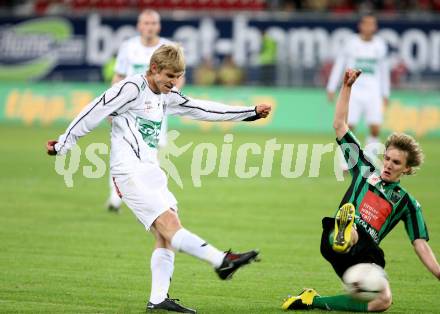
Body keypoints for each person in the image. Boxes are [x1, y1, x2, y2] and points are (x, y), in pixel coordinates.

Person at [46, 44, 271, 313]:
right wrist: (64, 143)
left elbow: (202, 109)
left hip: (151, 172)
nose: (174, 83)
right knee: (170, 225)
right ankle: (221, 260)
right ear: (154, 69)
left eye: (177, 77)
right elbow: (94, 111)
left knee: (166, 236)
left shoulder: (167, 95)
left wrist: (250, 112)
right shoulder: (131, 88)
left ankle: (158, 299)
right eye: (169, 77)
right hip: (128, 172)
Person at [282, 69, 440, 312]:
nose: (388, 164)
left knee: (382, 300)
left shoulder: (408, 203)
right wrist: (347, 86)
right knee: (353, 230)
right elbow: (339, 125)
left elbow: (419, 243)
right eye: (387, 158)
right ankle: (345, 231)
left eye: (396, 163)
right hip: (337, 238)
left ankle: (311, 301)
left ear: (407, 169)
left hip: (365, 255)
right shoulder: (364, 168)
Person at [107, 9, 184, 212]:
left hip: (155, 108)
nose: (149, 27)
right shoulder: (128, 47)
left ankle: (147, 194)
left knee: (151, 152)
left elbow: (179, 76)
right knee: (121, 149)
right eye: (146, 23)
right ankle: (115, 198)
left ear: (158, 26)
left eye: (153, 23)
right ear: (139, 26)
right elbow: (119, 76)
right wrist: (112, 104)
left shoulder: (167, 48)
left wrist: (170, 95)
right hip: (130, 109)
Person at [326, 13, 390, 167]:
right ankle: (346, 162)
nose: (369, 27)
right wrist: (331, 86)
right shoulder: (351, 43)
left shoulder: (380, 45)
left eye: (372, 24)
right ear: (360, 26)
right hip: (353, 92)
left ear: (375, 27)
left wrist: (385, 93)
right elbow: (339, 64)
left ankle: (369, 162)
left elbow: (383, 70)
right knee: (349, 127)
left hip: (373, 92)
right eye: (366, 24)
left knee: (375, 128)